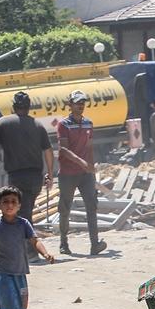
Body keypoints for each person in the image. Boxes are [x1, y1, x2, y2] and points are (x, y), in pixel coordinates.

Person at [0, 91, 53, 231]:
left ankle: (27, 248)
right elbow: (49, 151)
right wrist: (49, 174)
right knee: (26, 212)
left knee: (19, 215)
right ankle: (27, 248)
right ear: (29, 107)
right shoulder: (37, 125)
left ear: (13, 107)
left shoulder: (4, 122)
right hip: (35, 178)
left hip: (17, 177)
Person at [56, 91, 107, 256]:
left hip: (85, 174)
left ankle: (95, 244)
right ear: (70, 105)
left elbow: (89, 147)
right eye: (77, 103)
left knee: (92, 206)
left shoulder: (88, 123)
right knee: (65, 208)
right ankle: (64, 243)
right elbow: (63, 149)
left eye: (82, 102)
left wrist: (91, 166)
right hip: (68, 174)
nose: (80, 105)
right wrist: (81, 162)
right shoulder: (63, 124)